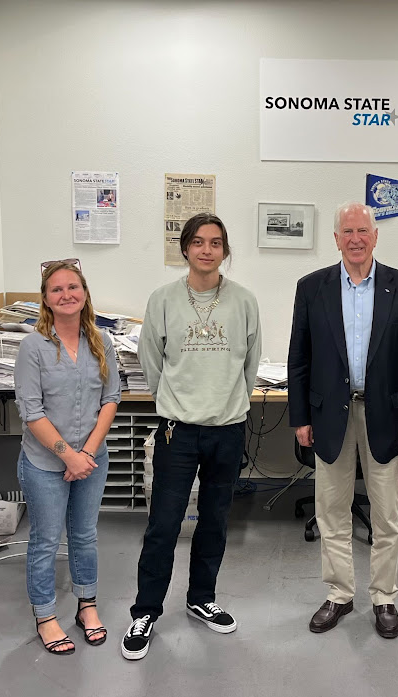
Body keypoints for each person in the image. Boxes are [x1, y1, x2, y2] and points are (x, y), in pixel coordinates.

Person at [121, 212, 261, 661]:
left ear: (224, 250)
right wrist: (180, 401)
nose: (206, 250)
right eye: (198, 242)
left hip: (227, 429)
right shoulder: (163, 299)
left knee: (215, 521)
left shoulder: (243, 301)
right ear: (185, 249)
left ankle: (202, 598)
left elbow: (250, 363)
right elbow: (152, 362)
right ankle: (145, 611)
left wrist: (224, 401)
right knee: (163, 524)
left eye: (216, 243)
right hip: (177, 431)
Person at [288, 201, 398, 639]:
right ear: (335, 239)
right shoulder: (312, 287)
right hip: (328, 414)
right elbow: (300, 358)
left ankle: (384, 597)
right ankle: (339, 594)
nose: (355, 238)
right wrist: (299, 417)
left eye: (362, 231)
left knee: (386, 514)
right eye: (347, 231)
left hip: (386, 413)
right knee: (331, 512)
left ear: (375, 236)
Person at [14, 261, 120, 654]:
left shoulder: (101, 341)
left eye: (73, 287)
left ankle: (86, 606)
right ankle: (45, 616)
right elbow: (31, 411)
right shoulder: (33, 347)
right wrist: (68, 456)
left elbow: (111, 399)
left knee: (84, 534)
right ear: (45, 299)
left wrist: (86, 453)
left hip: (91, 459)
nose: (66, 294)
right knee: (44, 540)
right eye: (56, 289)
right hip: (44, 464)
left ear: (85, 293)